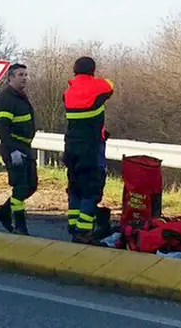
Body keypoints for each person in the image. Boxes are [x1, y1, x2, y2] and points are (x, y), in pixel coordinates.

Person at [63, 56, 114, 244]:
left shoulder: (68, 92)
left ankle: (73, 225)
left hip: (71, 147)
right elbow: (110, 85)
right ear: (92, 70)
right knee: (92, 189)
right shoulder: (97, 87)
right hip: (91, 148)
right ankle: (83, 232)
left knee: (75, 187)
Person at [0, 63, 37, 235]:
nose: (24, 78)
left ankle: (3, 211)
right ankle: (20, 225)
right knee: (20, 187)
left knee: (31, 186)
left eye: (26, 74)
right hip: (14, 148)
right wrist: (12, 150)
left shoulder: (20, 97)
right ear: (11, 77)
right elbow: (2, 128)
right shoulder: (6, 99)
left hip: (25, 147)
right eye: (20, 75)